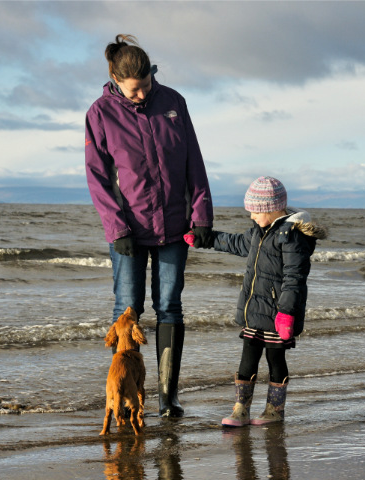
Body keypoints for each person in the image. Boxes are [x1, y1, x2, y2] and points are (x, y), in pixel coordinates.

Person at [85, 34, 214, 418]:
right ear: (114, 78)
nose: (142, 94)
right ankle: (125, 396)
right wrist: (116, 227)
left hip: (175, 226)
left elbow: (194, 161)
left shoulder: (173, 102)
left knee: (170, 307)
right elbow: (97, 177)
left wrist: (202, 214)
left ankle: (167, 397)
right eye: (134, 89)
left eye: (146, 85)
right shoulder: (100, 113)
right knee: (127, 311)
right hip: (128, 229)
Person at [184, 176, 327, 426]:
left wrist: (286, 313)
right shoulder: (259, 232)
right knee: (247, 358)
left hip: (277, 315)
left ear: (271, 209)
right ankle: (241, 410)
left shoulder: (292, 238)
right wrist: (205, 239)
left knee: (275, 360)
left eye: (254, 212)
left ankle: (274, 411)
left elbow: (295, 278)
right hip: (253, 311)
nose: (251, 216)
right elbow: (236, 243)